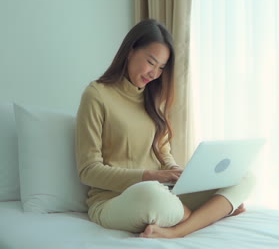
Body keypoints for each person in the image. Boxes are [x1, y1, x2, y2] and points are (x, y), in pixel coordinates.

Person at [75, 19, 255, 238]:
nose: (154, 73)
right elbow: (88, 171)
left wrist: (179, 174)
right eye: (151, 62)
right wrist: (153, 176)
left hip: (164, 192)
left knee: (243, 176)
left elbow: (164, 155)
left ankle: (178, 229)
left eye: (161, 68)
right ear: (130, 51)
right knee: (150, 194)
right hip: (116, 200)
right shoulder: (97, 95)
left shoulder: (154, 99)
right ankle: (210, 213)